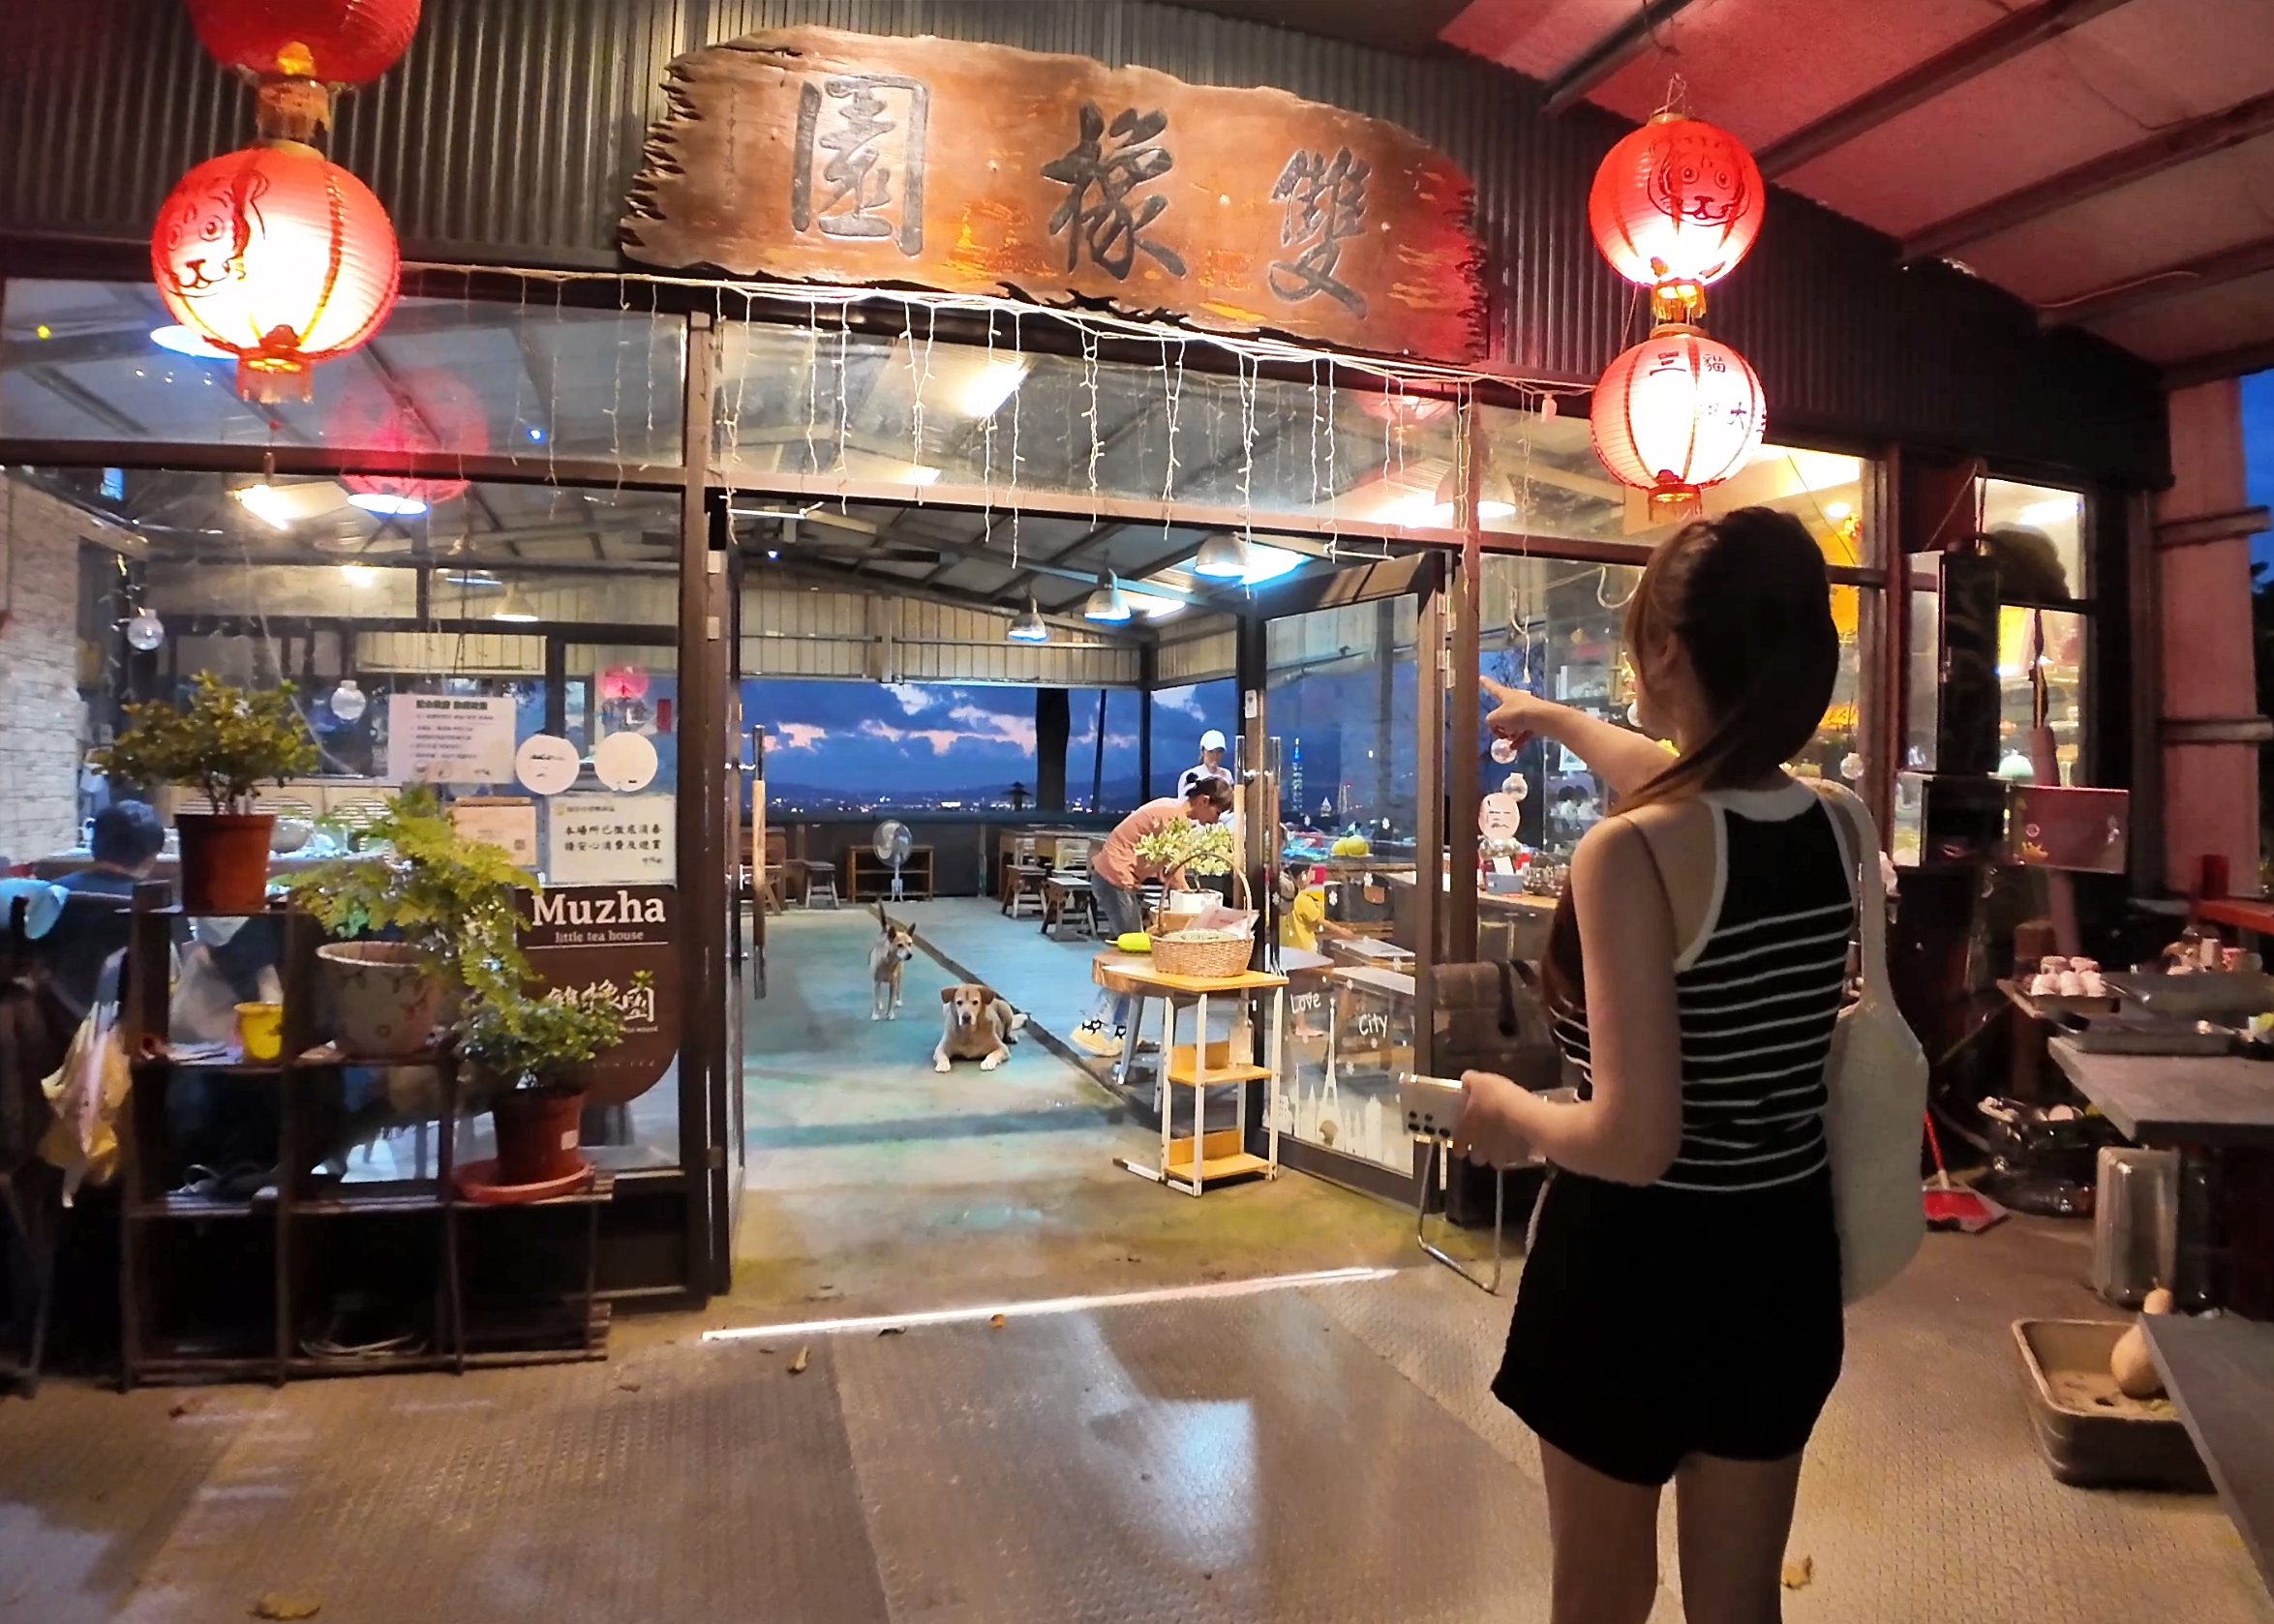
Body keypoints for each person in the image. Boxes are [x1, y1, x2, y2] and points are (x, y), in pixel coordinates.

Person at [1452, 507, 1853, 1624]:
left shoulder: (1626, 850)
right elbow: (1693, 778)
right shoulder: (1837, 825)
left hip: (1632, 1277)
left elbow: (1634, 1138)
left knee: (1602, 1599)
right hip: (1779, 1266)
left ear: (1668, 650)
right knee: (1738, 1609)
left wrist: (1511, 1107)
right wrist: (1561, 718)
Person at [1071, 777, 1235, 1058]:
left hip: (1119, 882)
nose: (1215, 820)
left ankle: (1125, 1032)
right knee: (1131, 961)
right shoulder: (1173, 817)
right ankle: (1091, 1026)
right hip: (1114, 880)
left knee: (1135, 961)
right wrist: (1194, 898)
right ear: (1204, 801)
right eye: (1217, 812)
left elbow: (1168, 867)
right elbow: (1174, 868)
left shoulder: (1172, 811)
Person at [1174, 730, 1232, 799]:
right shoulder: (1189, 776)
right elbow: (1183, 805)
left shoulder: (1227, 775)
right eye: (1211, 751)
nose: (1215, 756)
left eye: (1219, 751)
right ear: (1202, 752)